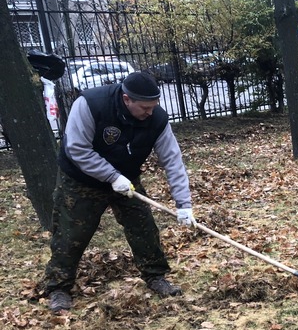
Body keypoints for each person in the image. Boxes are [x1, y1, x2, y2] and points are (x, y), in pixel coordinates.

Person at [43, 71, 195, 312]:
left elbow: (172, 160)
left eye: (154, 106)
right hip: (81, 179)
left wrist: (183, 203)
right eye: (145, 108)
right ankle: (58, 287)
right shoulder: (91, 105)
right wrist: (111, 176)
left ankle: (155, 276)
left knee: (143, 226)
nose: (150, 112)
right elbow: (77, 148)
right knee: (71, 233)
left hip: (126, 179)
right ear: (127, 100)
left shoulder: (157, 120)